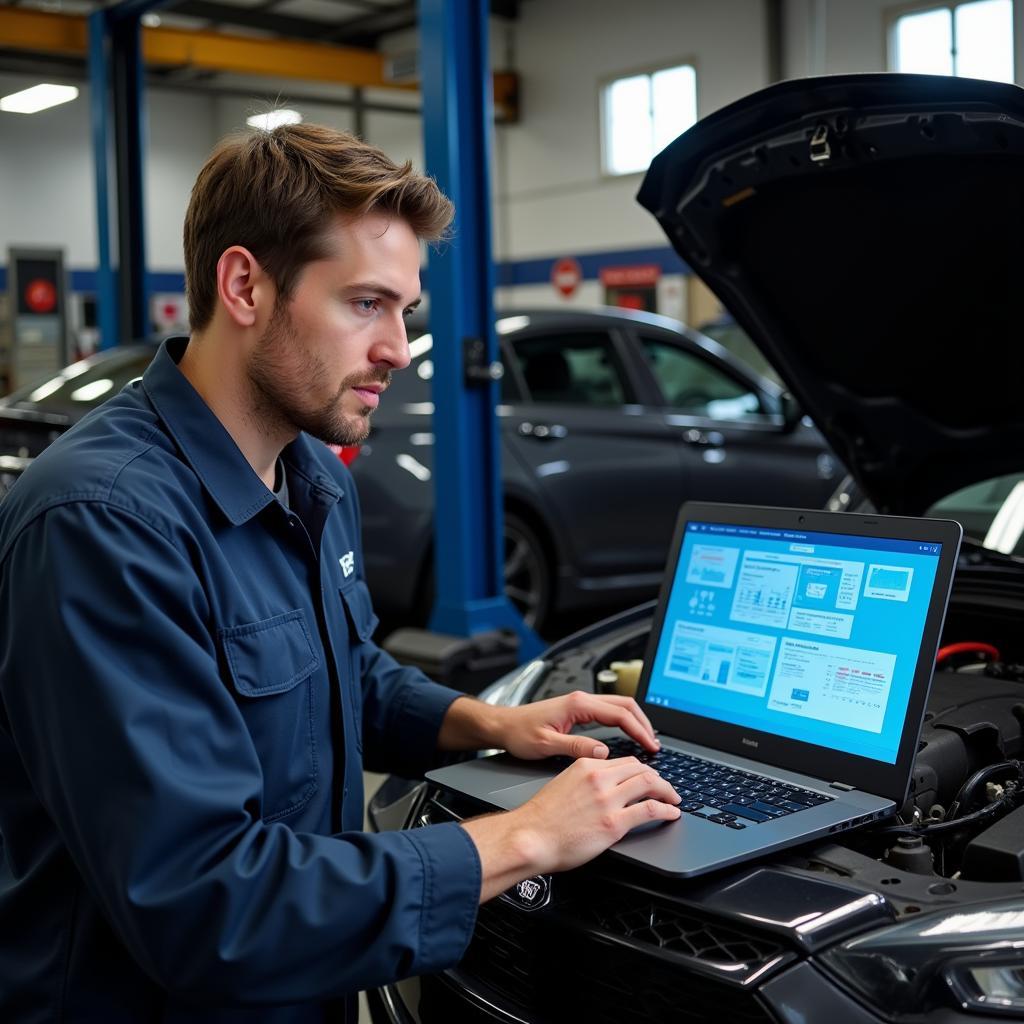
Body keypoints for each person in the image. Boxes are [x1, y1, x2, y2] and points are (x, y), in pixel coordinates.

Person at [0, 124, 681, 1023]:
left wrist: (491, 721)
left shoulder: (308, 473)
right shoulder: (104, 523)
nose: (399, 348)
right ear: (244, 285)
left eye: (403, 308)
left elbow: (339, 671)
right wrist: (524, 836)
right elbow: (204, 902)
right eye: (366, 303)